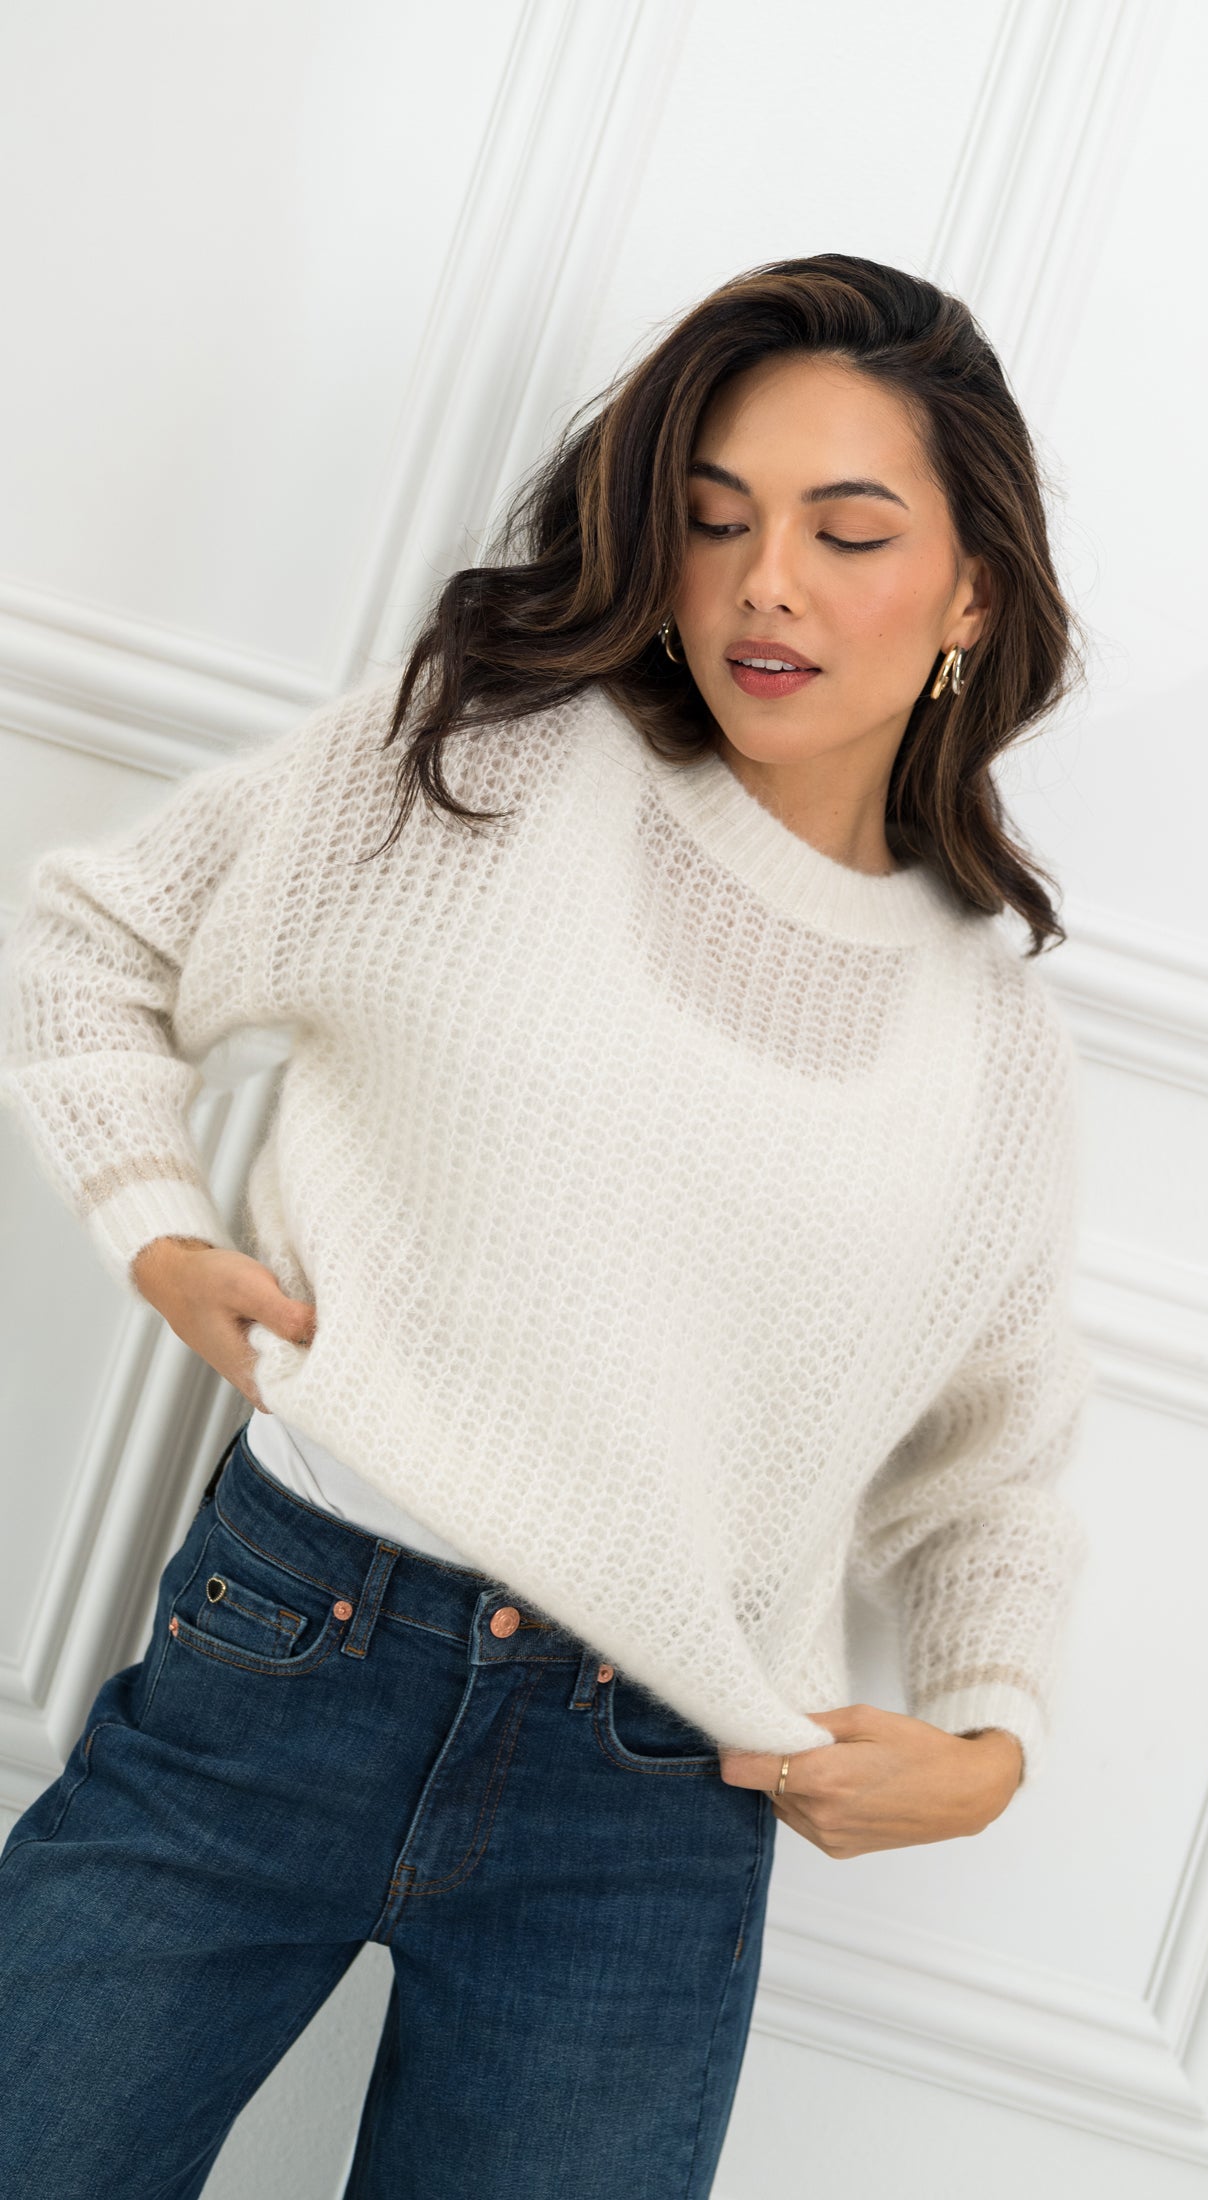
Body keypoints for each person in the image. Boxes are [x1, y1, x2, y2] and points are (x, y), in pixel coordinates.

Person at [0, 251, 1094, 2196]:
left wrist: (989, 1742)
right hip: (294, 1643)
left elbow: (991, 1457)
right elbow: (91, 941)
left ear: (974, 592)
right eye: (713, 519)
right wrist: (158, 1230)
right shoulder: (480, 769)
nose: (767, 584)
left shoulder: (987, 1032)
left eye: (849, 533)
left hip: (655, 1799)